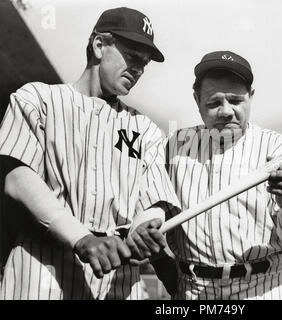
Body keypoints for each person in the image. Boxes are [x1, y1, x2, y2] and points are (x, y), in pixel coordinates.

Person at [0, 7, 180, 300]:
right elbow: (17, 177)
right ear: (99, 45)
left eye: (144, 64)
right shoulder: (38, 99)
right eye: (133, 57)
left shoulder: (143, 128)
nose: (138, 70)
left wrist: (145, 226)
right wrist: (81, 237)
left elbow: (155, 199)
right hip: (42, 268)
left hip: (117, 277)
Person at [163, 51, 282, 299]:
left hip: (264, 286)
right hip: (194, 289)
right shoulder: (174, 147)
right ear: (197, 100)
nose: (226, 112)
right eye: (214, 102)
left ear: (251, 97)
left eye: (236, 101)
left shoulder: (277, 148)